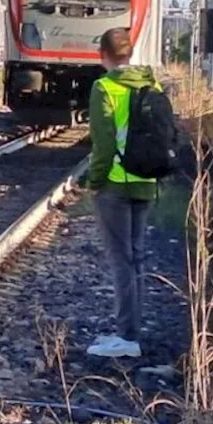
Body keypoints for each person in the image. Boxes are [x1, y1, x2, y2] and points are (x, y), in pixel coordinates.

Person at [85, 27, 160, 359]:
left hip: (115, 185)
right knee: (137, 256)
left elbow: (102, 145)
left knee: (121, 260)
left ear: (103, 55)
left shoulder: (104, 87)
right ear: (129, 53)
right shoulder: (152, 84)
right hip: (146, 181)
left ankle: (127, 336)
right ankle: (133, 330)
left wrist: (94, 182)